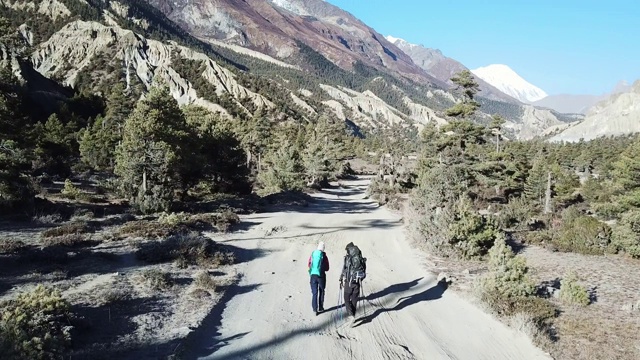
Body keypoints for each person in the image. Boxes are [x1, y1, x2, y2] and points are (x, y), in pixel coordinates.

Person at [339, 242, 367, 321]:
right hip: (357, 282)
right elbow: (364, 270)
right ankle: (353, 315)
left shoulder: (348, 258)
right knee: (354, 299)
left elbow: (344, 269)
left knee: (346, 298)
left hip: (349, 282)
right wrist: (360, 279)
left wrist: (341, 278)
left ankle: (351, 315)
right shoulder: (360, 257)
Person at [308, 241, 330, 316]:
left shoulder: (313, 254)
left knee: (314, 293)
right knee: (321, 291)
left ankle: (315, 309)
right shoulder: (324, 256)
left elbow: (309, 264)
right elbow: (327, 268)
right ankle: (320, 307)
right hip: (321, 276)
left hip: (313, 275)